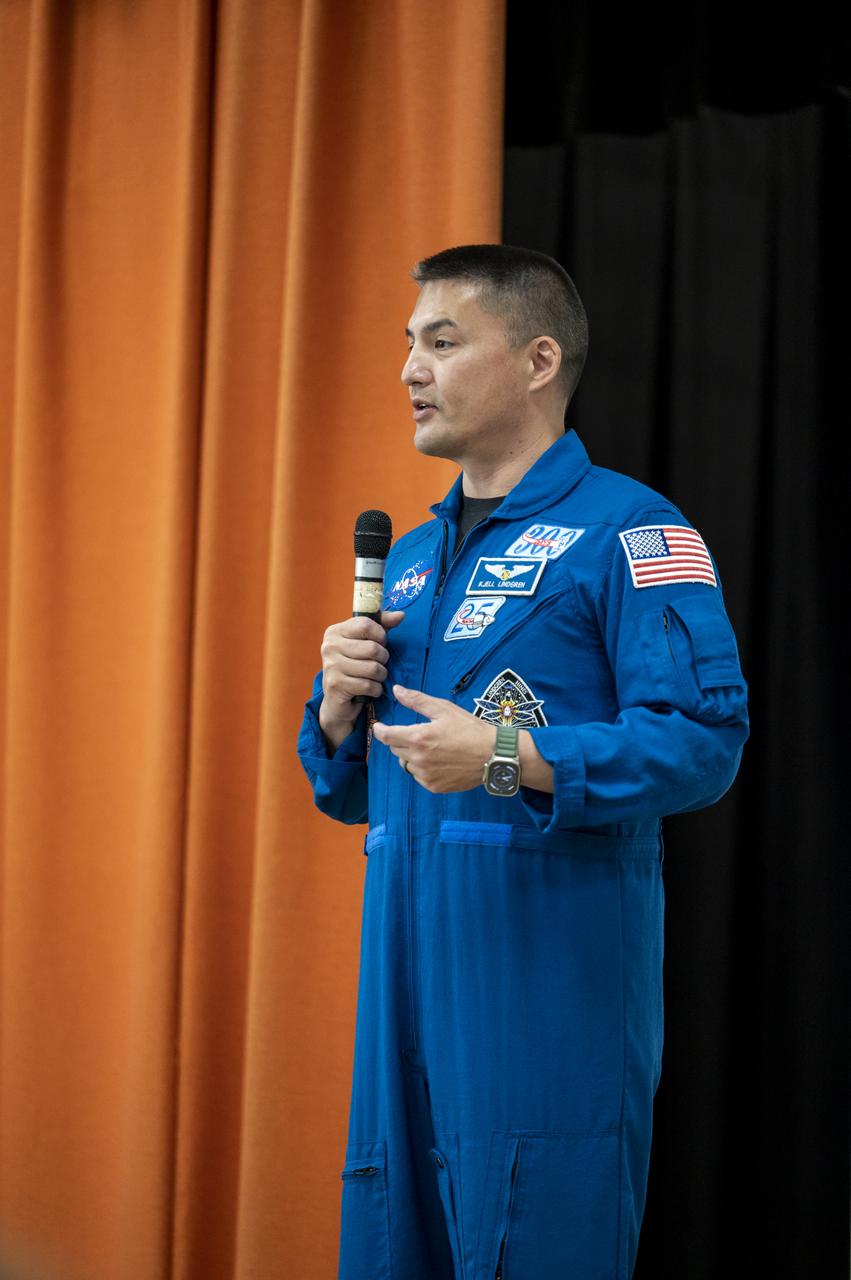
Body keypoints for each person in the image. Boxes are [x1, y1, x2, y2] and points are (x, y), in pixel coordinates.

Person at [297, 244, 749, 1280]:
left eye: (442, 342)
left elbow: (700, 740)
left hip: (543, 993)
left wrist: (504, 753)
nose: (410, 367)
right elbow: (362, 783)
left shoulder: (631, 529)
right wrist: (332, 713)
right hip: (401, 981)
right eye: (407, 343)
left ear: (538, 359)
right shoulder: (409, 558)